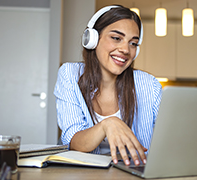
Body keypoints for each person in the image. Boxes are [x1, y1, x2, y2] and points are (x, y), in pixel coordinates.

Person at [54, 5, 162, 166]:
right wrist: (108, 124)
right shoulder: (70, 74)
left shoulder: (149, 84)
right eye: (116, 38)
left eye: (133, 43)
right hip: (84, 174)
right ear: (92, 39)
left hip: (134, 173)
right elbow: (73, 141)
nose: (126, 49)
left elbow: (171, 136)